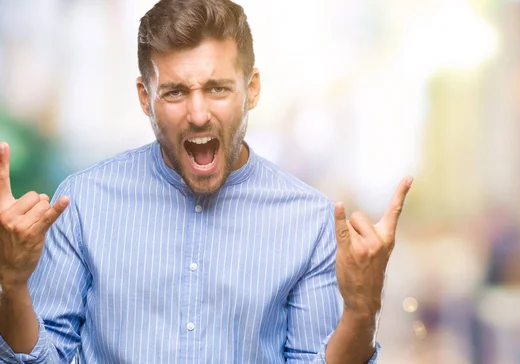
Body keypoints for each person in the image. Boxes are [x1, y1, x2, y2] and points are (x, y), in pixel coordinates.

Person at [0, 0, 413, 362]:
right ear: (146, 97)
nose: (198, 114)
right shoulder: (83, 204)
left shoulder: (310, 222)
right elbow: (39, 359)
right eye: (176, 92)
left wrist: (362, 309)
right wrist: (13, 284)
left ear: (251, 90)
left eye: (217, 88)